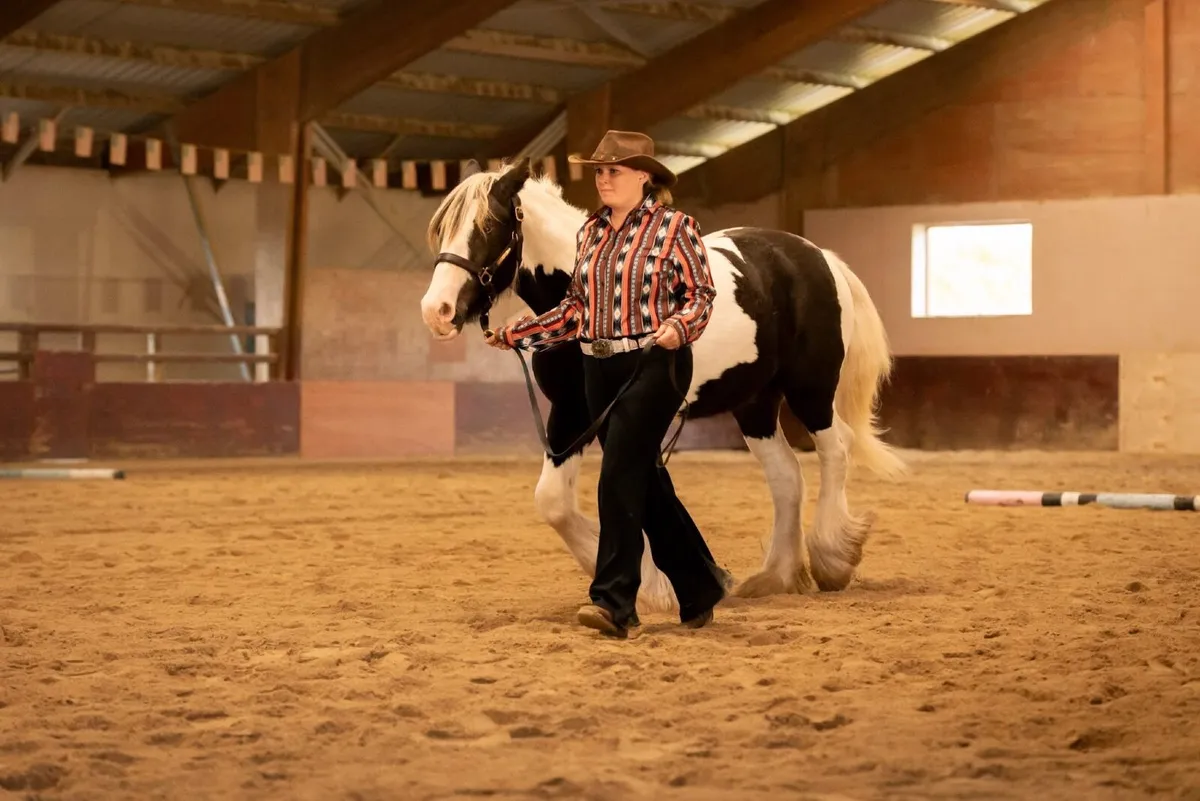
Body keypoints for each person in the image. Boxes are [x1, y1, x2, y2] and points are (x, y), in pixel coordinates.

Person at [485, 130, 728, 638]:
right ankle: (701, 584)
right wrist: (520, 333)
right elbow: (577, 309)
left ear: (644, 176)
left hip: (654, 364)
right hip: (599, 367)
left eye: (614, 170)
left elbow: (701, 294)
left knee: (617, 475)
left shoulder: (676, 228)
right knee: (644, 479)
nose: (604, 179)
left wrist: (679, 328)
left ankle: (614, 601)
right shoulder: (591, 233)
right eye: (599, 171)